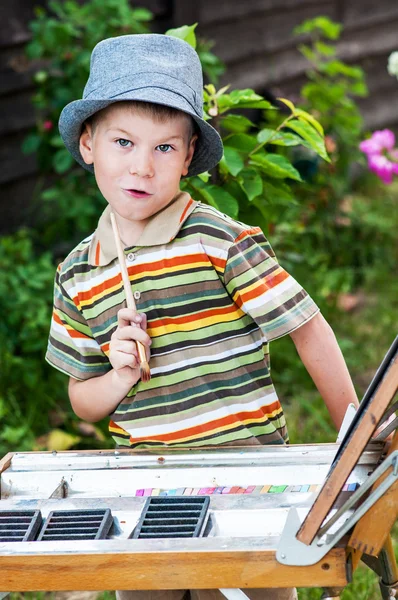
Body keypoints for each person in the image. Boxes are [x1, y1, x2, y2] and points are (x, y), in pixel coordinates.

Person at [46, 34, 359, 600]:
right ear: (88, 143)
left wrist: (352, 441)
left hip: (248, 478)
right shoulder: (79, 273)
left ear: (189, 156)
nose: (141, 166)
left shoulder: (217, 239)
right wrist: (117, 376)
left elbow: (307, 326)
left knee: (257, 588)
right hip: (147, 490)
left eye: (164, 148)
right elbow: (82, 402)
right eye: (123, 142)